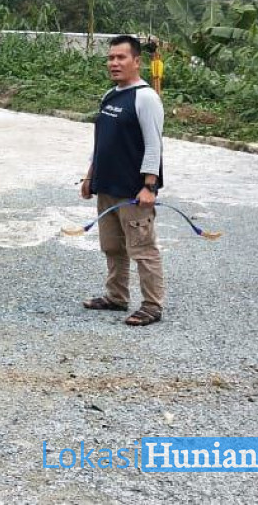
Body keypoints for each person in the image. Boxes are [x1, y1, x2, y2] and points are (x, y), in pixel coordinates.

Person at [79, 34, 165, 327]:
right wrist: (90, 175)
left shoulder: (146, 98)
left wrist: (149, 185)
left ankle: (152, 305)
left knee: (143, 249)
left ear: (136, 61)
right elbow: (102, 141)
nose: (114, 63)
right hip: (107, 185)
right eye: (111, 58)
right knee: (112, 246)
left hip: (133, 191)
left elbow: (154, 145)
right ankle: (116, 297)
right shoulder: (110, 95)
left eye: (121, 57)